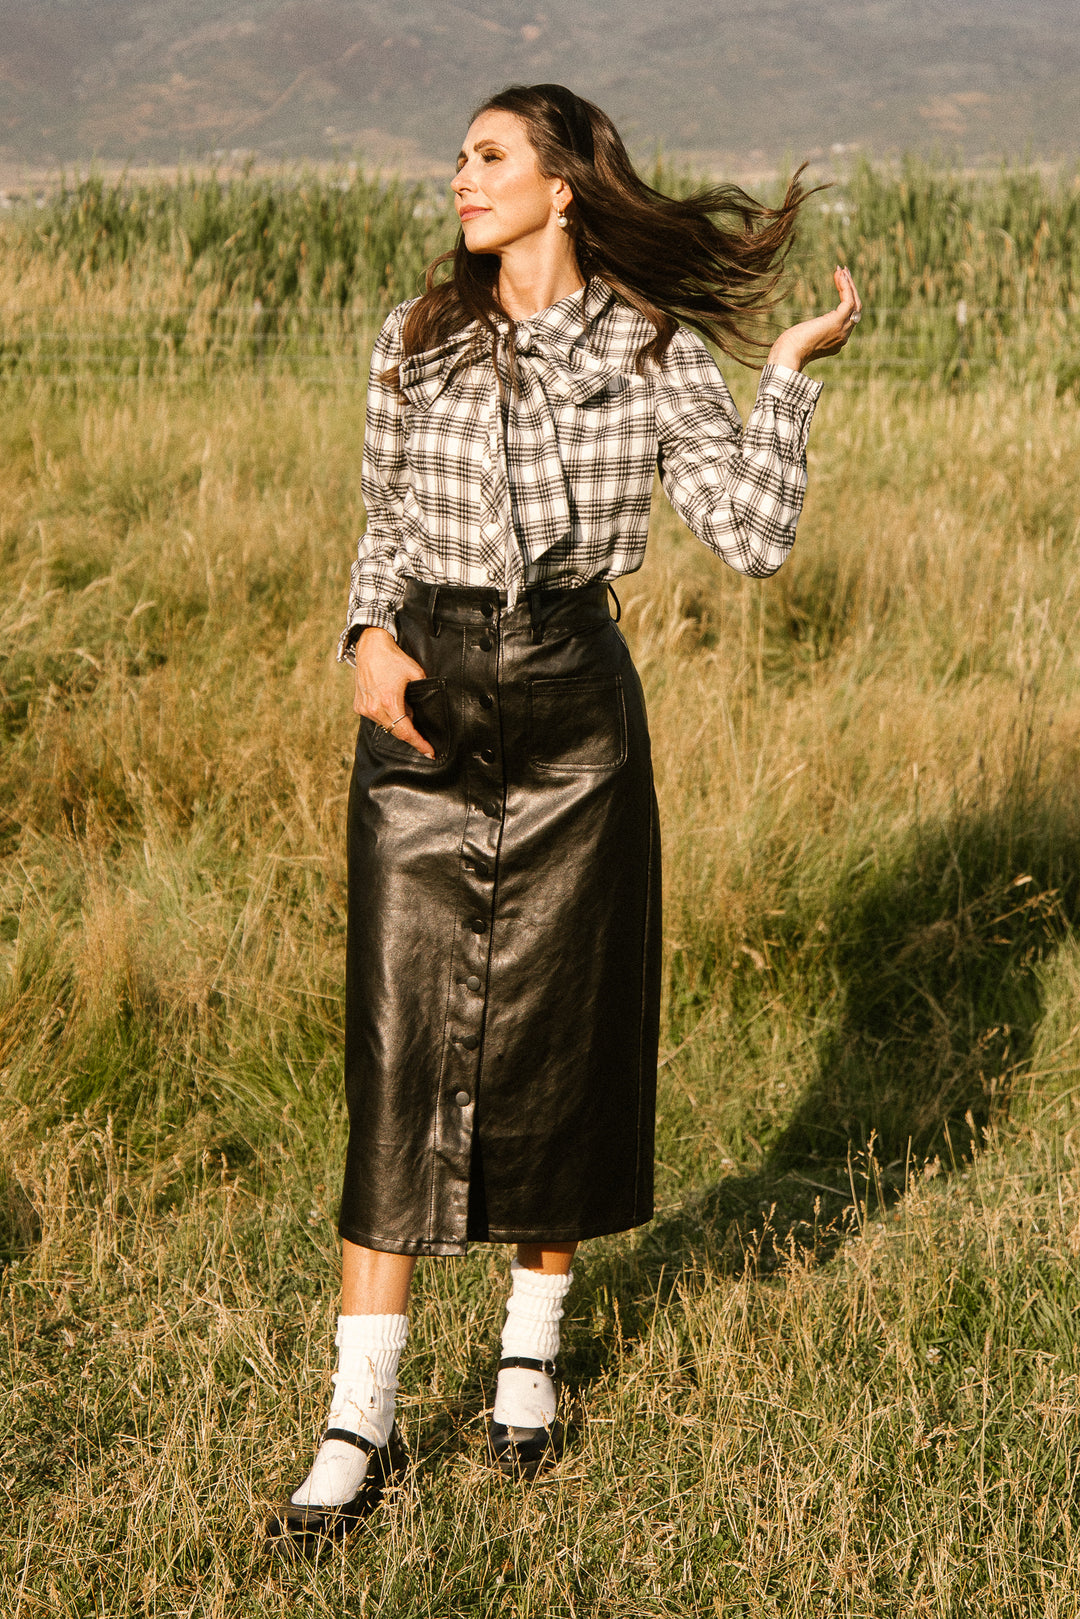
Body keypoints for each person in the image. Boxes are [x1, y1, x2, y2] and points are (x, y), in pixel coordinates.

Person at [267, 82, 860, 1550]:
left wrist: (784, 370)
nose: (458, 178)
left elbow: (753, 537)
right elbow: (381, 522)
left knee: (561, 1034)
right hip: (429, 706)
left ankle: (529, 1350)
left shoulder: (650, 350)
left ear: (563, 186)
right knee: (399, 1039)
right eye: (459, 158)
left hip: (577, 714)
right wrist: (365, 640)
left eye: (487, 157)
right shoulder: (418, 341)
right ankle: (361, 1417)